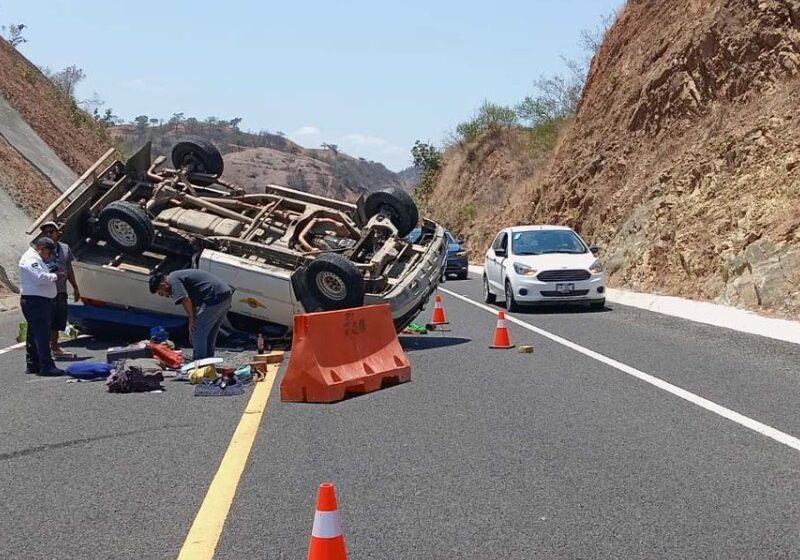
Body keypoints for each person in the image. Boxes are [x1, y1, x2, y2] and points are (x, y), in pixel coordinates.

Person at [149, 269, 233, 361]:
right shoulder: (176, 276)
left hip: (214, 297)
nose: (165, 296)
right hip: (224, 294)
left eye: (161, 293)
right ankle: (208, 362)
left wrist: (191, 320)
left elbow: (185, 299)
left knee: (198, 331)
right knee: (209, 333)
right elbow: (191, 302)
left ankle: (199, 362)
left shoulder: (173, 281)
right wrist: (193, 320)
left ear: (163, 285)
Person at [18, 237, 64, 376]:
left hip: (36, 301)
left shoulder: (35, 258)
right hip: (36, 302)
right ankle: (47, 366)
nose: (48, 257)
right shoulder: (31, 259)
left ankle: (33, 364)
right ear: (42, 248)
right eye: (48, 253)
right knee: (42, 335)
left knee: (33, 334)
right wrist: (55, 276)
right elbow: (40, 278)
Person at [40, 221, 80, 358]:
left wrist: (75, 287)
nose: (49, 234)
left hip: (61, 290)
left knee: (58, 321)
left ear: (58, 233)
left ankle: (55, 347)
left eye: (51, 231)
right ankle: (44, 349)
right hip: (46, 291)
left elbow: (69, 268)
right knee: (47, 320)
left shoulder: (64, 248)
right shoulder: (42, 249)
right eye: (46, 232)